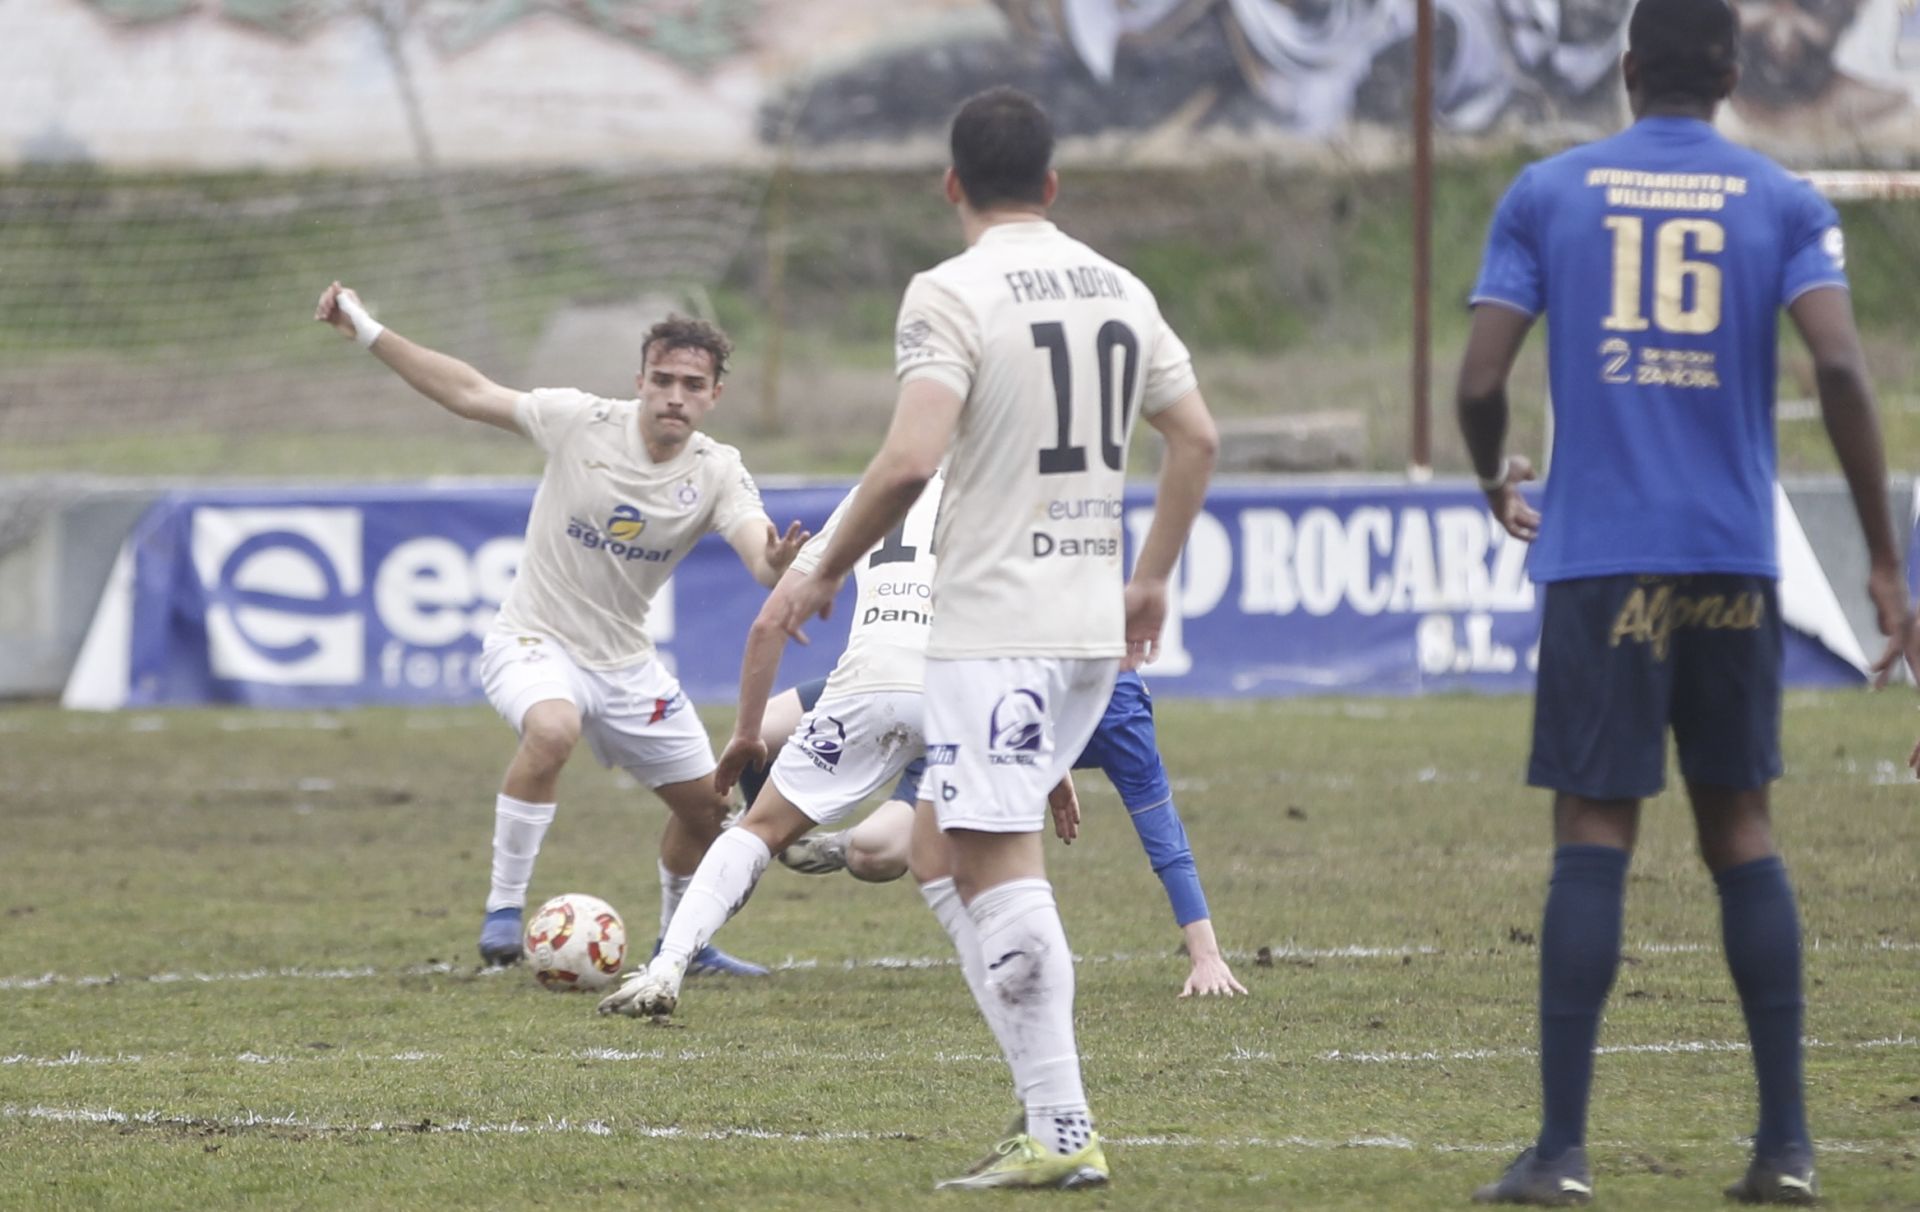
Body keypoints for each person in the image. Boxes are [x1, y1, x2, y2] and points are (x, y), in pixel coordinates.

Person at [1454, 0, 1917, 1203]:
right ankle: (1788, 1150)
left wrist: (1491, 469)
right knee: (1742, 834)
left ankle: (1559, 1154)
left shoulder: (1549, 192)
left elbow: (1480, 377)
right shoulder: (1783, 200)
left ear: (1624, 69)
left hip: (1602, 559)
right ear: (1732, 70)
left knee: (1595, 836)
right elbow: (1843, 370)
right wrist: (1882, 561)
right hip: (1731, 560)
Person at [774, 87, 1220, 1191]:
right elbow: (1195, 436)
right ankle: (1051, 1125)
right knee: (937, 848)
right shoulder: (1121, 286)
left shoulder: (950, 291)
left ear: (951, 184)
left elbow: (911, 461)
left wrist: (822, 566)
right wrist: (1150, 578)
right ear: (1055, 185)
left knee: (997, 868)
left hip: (991, 626)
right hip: (1085, 624)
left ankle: (1062, 1131)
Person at [313, 282, 808, 976]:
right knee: (551, 730)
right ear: (639, 381)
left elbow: (759, 554)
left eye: (691, 385)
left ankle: (682, 945)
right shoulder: (580, 421)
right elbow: (469, 391)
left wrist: (779, 564)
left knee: (709, 811)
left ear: (714, 395)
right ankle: (503, 915)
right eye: (661, 379)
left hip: (627, 665)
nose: (674, 395)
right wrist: (368, 330)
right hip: (533, 641)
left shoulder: (718, 470)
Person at [595, 474, 949, 1019]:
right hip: (963, 694)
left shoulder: (872, 490)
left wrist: (745, 733)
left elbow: (768, 624)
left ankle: (668, 964)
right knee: (973, 858)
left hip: (870, 687)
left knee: (773, 833)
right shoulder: (1005, 489)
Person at [773, 670, 1247, 999]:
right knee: (774, 725)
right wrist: (1053, 770)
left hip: (989, 746)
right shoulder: (1005, 664)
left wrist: (1205, 955)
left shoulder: (1121, 717)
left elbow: (1164, 838)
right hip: (959, 723)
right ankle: (764, 815)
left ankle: (835, 843)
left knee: (874, 856)